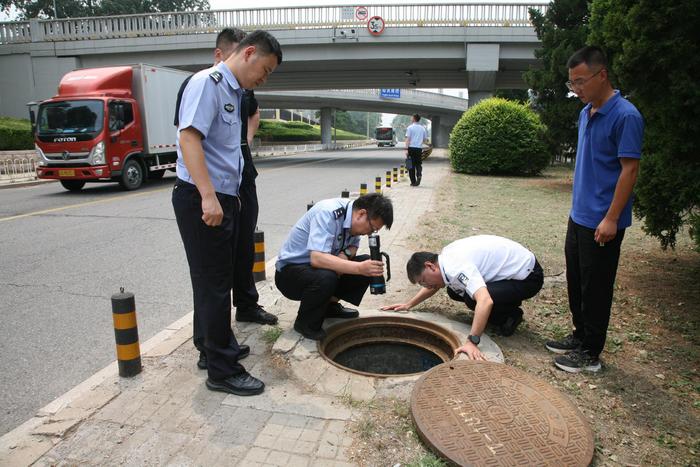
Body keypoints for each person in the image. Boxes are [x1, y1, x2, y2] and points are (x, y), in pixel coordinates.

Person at [172, 30, 282, 396]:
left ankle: (212, 346)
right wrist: (208, 197)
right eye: (264, 70)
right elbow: (189, 139)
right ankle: (222, 370)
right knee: (215, 285)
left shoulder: (234, 91)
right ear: (249, 52)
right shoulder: (209, 83)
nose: (263, 79)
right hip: (204, 198)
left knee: (213, 281)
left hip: (224, 197)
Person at [545, 46, 644, 374]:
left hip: (604, 220)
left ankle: (591, 352)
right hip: (579, 216)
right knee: (577, 280)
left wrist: (612, 218)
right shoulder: (584, 112)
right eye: (572, 84)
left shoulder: (626, 116)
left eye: (581, 82)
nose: (576, 89)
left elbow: (629, 170)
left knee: (597, 285)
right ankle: (579, 336)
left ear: (602, 75)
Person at [382, 235, 544, 360]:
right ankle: (508, 301)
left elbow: (485, 301)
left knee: (472, 298)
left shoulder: (456, 267)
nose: (426, 286)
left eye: (424, 281)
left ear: (430, 266)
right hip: (512, 271)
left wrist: (472, 342)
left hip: (528, 278)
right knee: (454, 291)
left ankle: (511, 315)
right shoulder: (445, 258)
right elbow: (435, 285)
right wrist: (408, 304)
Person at [275, 193, 394, 341]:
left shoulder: (353, 217)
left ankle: (329, 307)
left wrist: (345, 254)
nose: (369, 234)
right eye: (372, 228)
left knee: (367, 263)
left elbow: (353, 246)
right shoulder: (328, 213)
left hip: (316, 269)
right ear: (362, 214)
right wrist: (358, 268)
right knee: (330, 275)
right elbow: (317, 259)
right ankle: (305, 323)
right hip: (290, 274)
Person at [404, 114, 428, 186]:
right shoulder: (422, 128)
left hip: (411, 148)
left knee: (410, 165)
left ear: (414, 119)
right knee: (418, 164)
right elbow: (425, 140)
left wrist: (406, 149)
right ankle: (419, 175)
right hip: (418, 149)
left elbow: (408, 139)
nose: (411, 118)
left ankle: (413, 182)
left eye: (412, 117)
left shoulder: (410, 128)